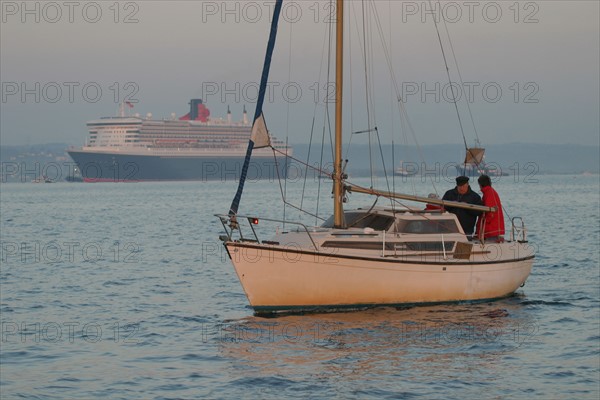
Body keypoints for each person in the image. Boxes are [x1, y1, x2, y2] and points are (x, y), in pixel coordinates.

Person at [476, 174, 505, 242]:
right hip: (493, 228)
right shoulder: (489, 191)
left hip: (491, 229)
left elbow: (491, 210)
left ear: (481, 184)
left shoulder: (489, 193)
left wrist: (485, 223)